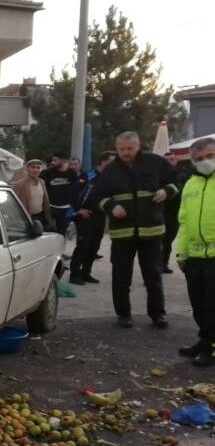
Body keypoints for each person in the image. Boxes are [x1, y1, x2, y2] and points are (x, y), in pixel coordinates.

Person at [92, 131, 179, 329]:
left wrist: (166, 191)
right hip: (122, 234)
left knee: (153, 276)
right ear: (116, 148)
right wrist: (111, 205)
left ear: (138, 146)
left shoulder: (155, 162)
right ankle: (124, 314)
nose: (125, 152)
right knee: (121, 276)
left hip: (151, 231)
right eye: (121, 149)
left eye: (129, 148)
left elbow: (176, 181)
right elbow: (97, 196)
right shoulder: (110, 170)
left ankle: (157, 314)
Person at [176, 138, 215, 366]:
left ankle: (211, 348)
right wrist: (182, 253)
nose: (205, 161)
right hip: (195, 257)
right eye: (199, 159)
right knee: (199, 304)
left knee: (213, 306)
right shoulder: (191, 184)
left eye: (210, 156)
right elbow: (184, 221)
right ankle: (205, 340)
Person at [69, 151, 117, 285]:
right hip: (86, 216)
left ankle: (86, 273)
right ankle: (74, 274)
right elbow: (72, 192)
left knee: (94, 246)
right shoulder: (89, 176)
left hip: (100, 216)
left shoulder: (109, 177)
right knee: (83, 246)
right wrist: (79, 209)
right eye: (111, 161)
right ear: (103, 161)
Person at [39, 151, 79, 237]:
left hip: (65, 209)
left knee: (62, 234)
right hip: (50, 208)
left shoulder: (72, 173)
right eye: (52, 160)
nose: (53, 162)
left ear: (64, 161)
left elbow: (76, 190)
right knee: (49, 234)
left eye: (55, 160)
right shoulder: (46, 173)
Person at [161, 152, 188, 273]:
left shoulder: (182, 175)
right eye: (166, 160)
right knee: (160, 241)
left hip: (175, 212)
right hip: (160, 212)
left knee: (168, 240)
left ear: (176, 160)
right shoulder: (158, 175)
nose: (169, 162)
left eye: (172, 159)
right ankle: (158, 264)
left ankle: (164, 263)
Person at [12, 159, 53, 228]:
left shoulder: (42, 182)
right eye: (33, 167)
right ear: (27, 169)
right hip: (27, 217)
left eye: (38, 168)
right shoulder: (19, 184)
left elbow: (44, 201)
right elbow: (13, 204)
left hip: (41, 216)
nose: (35, 170)